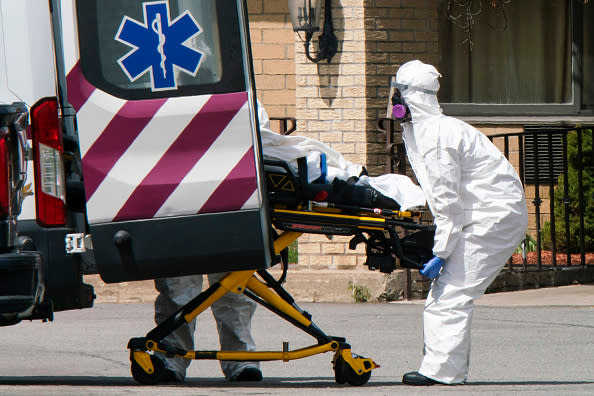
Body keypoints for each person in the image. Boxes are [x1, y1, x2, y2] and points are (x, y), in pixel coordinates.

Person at [391, 60, 528, 385]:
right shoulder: (432, 129)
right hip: (485, 215)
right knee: (448, 293)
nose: (393, 100)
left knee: (451, 294)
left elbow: (446, 202)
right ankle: (443, 369)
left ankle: (442, 373)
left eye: (398, 93)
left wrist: (442, 251)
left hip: (492, 219)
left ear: (409, 97)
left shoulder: (438, 137)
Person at [153, 102, 274, 383]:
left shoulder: (242, 99)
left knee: (234, 287)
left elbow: (261, 139)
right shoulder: (165, 99)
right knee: (179, 288)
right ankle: (171, 359)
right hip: (181, 199)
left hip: (230, 199)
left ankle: (241, 360)